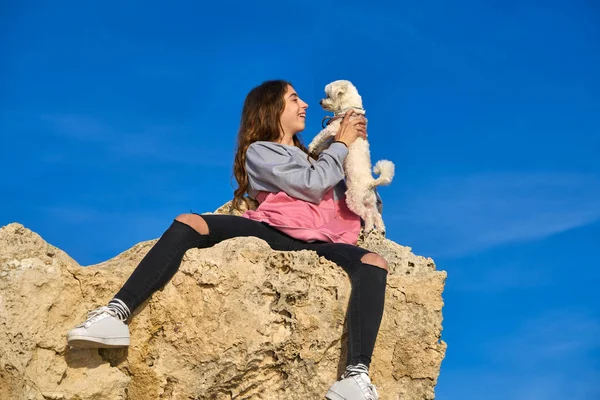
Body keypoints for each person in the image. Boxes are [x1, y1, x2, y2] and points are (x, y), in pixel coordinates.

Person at [67, 80, 388, 400]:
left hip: (321, 242)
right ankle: (115, 314)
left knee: (374, 262)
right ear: (271, 109)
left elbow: (356, 201)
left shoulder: (320, 157)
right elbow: (312, 185)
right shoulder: (261, 152)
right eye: (294, 99)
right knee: (189, 222)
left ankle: (355, 377)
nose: (304, 104)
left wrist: (354, 156)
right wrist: (341, 144)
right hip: (274, 231)